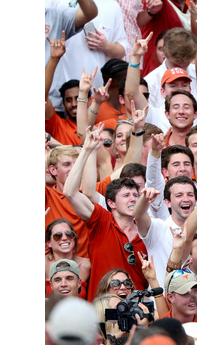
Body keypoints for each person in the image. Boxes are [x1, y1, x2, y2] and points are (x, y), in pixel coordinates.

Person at [62, 127, 150, 301]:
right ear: (111, 203)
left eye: (135, 195)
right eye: (126, 196)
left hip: (138, 314)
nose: (133, 199)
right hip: (101, 314)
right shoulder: (101, 220)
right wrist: (87, 150)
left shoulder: (149, 229)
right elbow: (70, 192)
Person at [45, 0, 129, 113]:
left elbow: (122, 51)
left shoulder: (112, 5)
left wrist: (106, 46)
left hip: (94, 99)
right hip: (58, 97)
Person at [46, 219, 91, 299]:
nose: (64, 238)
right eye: (57, 236)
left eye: (69, 234)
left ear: (74, 238)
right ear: (48, 243)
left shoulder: (86, 265)